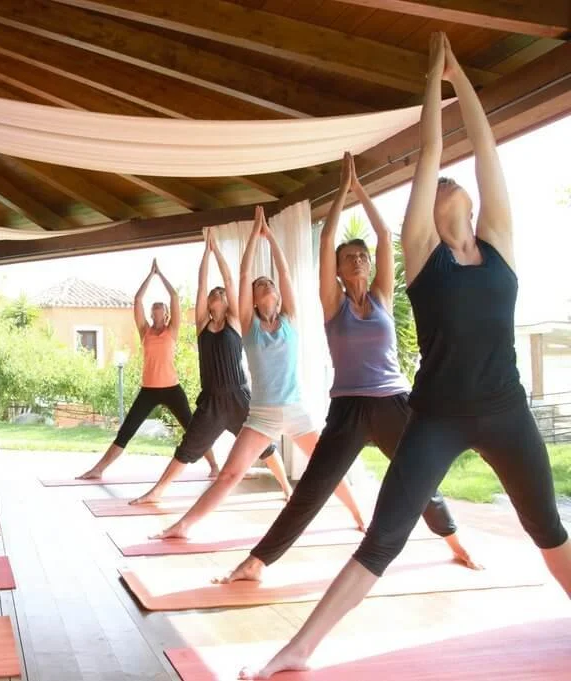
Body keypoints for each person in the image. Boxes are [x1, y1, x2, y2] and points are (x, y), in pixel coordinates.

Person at [239, 34, 571, 679]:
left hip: (506, 411)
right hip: (437, 416)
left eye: (455, 182)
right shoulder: (421, 256)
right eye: (439, 181)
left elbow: (483, 147)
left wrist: (461, 78)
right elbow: (433, 151)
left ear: (473, 205)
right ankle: (297, 649)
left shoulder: (499, 242)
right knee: (384, 536)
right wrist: (430, 84)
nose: (445, 180)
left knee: (547, 529)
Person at [220, 152, 478, 587]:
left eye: (362, 256)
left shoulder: (380, 294)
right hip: (348, 409)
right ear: (337, 271)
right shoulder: (332, 303)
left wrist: (360, 191)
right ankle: (257, 562)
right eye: (349, 257)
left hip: (394, 404)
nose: (357, 260)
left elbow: (381, 232)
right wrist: (341, 192)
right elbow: (326, 243)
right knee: (313, 489)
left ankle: (455, 543)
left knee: (419, 478)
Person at [152, 206, 365, 539]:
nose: (266, 285)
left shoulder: (291, 319)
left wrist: (273, 239)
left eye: (270, 284)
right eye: (260, 285)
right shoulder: (248, 325)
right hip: (261, 415)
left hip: (296, 412)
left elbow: (284, 272)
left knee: (328, 467)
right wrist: (254, 234)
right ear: (251, 300)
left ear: (278, 296)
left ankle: (358, 516)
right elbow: (243, 273)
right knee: (229, 475)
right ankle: (182, 526)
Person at [128, 229, 287, 506]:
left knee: (263, 444)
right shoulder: (202, 324)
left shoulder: (236, 321)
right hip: (211, 401)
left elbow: (228, 279)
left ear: (227, 301)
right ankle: (156, 492)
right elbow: (202, 285)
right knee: (187, 448)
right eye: (212, 293)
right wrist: (206, 252)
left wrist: (218, 252)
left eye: (220, 292)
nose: (215, 291)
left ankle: (287, 488)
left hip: (238, 397)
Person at [78, 259, 219, 480]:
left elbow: (174, 297)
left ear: (165, 314)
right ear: (152, 314)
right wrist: (149, 276)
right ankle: (98, 470)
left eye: (160, 307)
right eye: (154, 308)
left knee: (193, 429)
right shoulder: (145, 331)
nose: (156, 309)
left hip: (172, 388)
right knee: (127, 430)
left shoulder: (172, 330)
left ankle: (214, 466)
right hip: (149, 390)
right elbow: (137, 299)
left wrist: (160, 274)